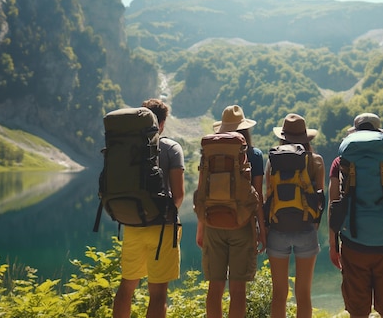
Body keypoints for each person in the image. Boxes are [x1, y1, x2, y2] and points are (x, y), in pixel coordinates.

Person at [328, 113, 383, 318]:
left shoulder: (340, 164)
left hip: (353, 243)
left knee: (358, 310)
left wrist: (333, 245)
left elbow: (334, 207)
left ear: (355, 133)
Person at [112, 99, 185, 318]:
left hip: (133, 223)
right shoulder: (171, 148)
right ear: (161, 123)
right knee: (158, 293)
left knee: (126, 286)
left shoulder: (127, 148)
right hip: (162, 227)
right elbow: (179, 195)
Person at [195, 105, 266, 318]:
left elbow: (201, 195)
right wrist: (262, 230)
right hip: (242, 226)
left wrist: (201, 227)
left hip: (212, 224)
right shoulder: (254, 155)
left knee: (214, 289)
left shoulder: (208, 154)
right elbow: (257, 198)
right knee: (238, 291)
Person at [265, 113, 325, 318]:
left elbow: (268, 196)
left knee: (279, 294)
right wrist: (311, 226)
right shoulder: (316, 161)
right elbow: (319, 201)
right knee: (304, 294)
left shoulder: (272, 161)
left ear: (282, 136)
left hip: (278, 229)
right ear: (306, 137)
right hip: (306, 229)